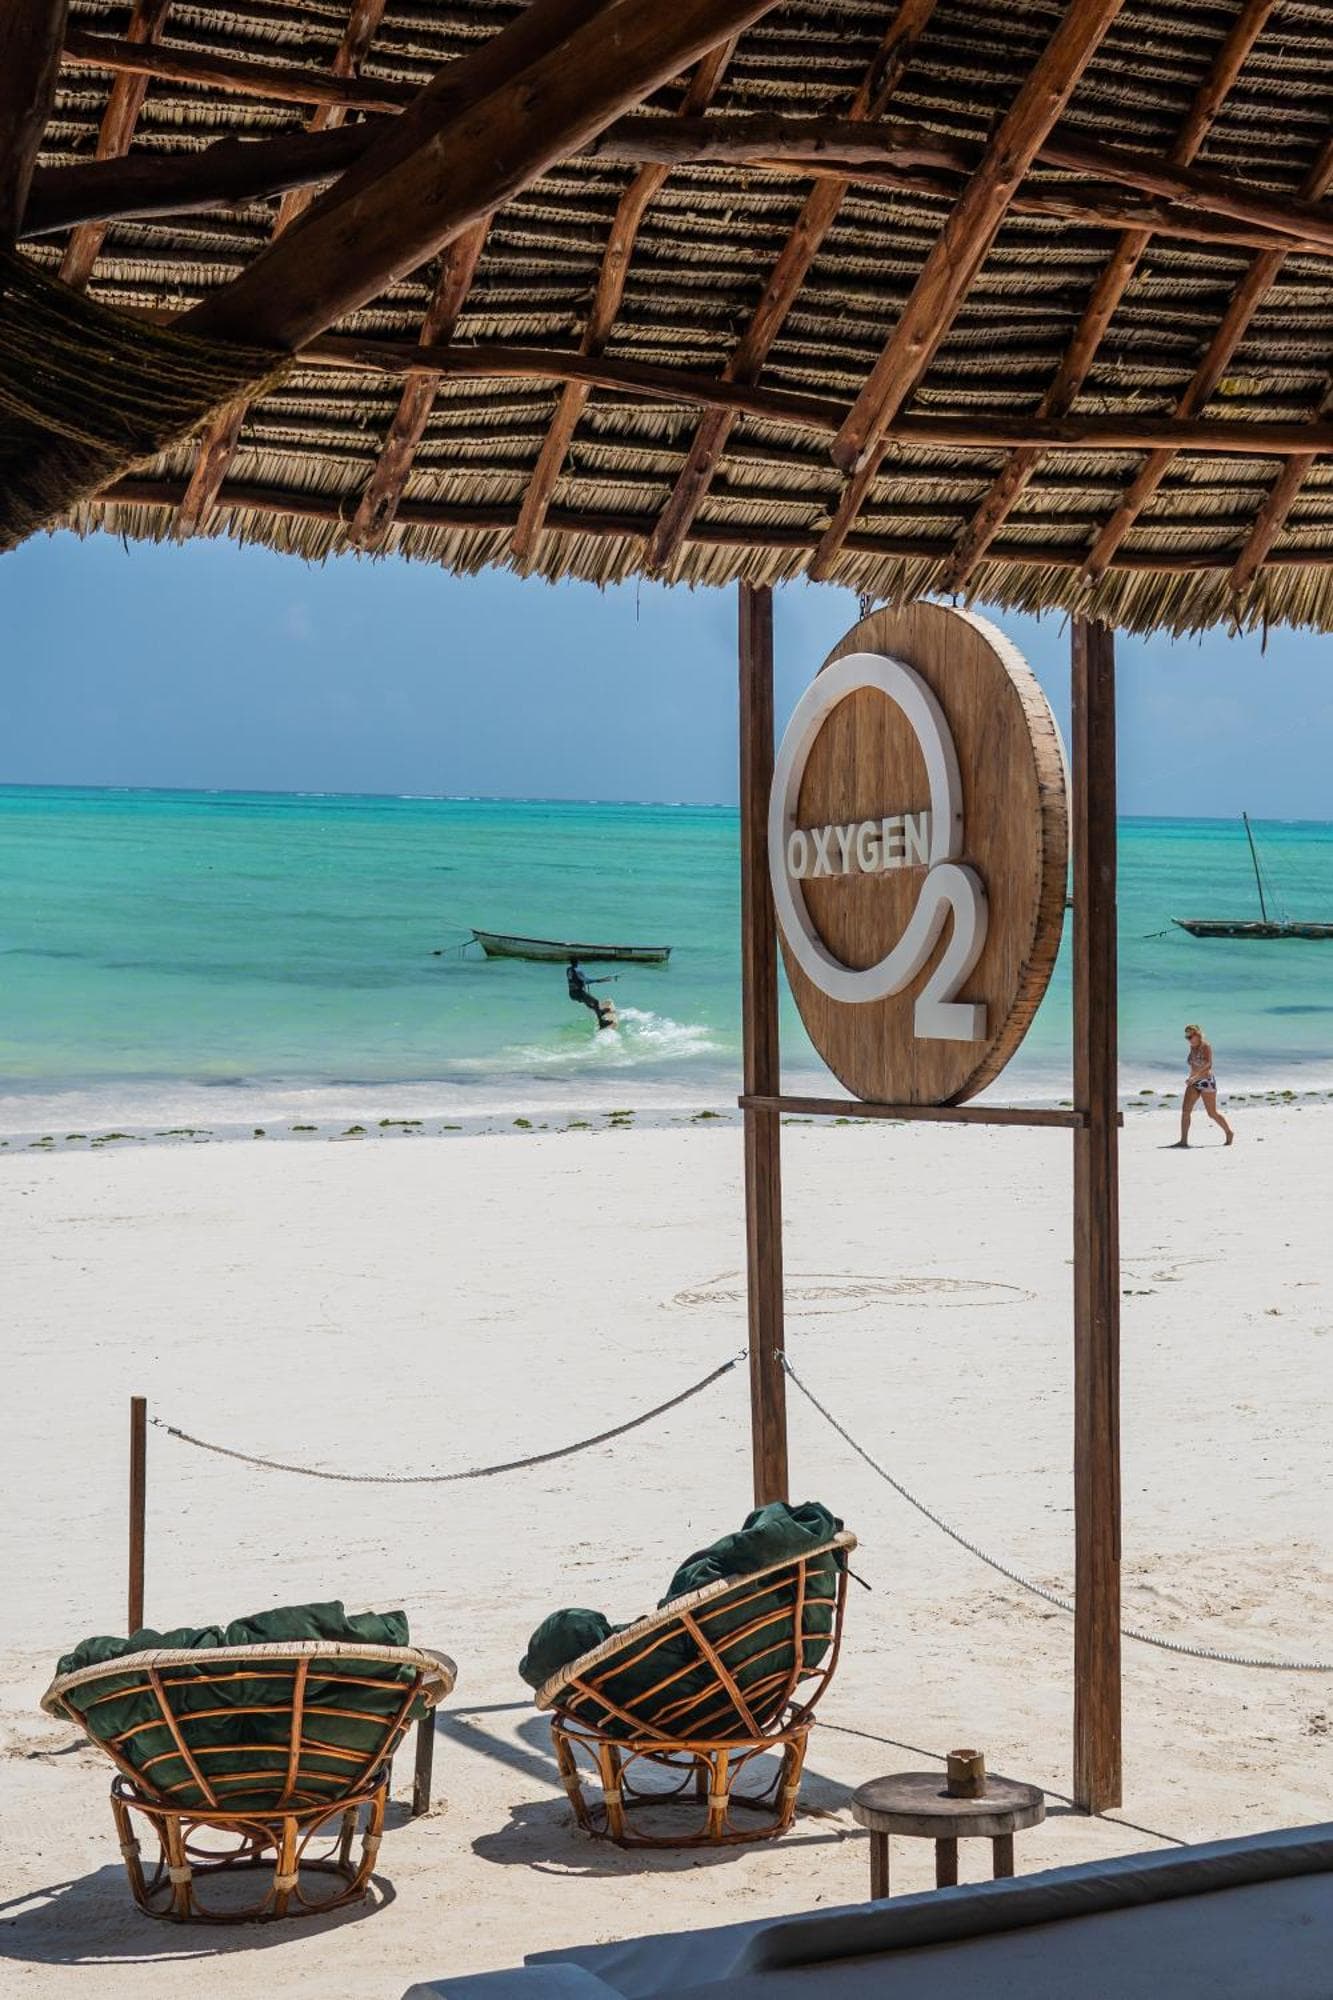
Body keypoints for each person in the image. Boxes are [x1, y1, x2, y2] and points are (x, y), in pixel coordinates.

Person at [1176, 1023, 1234, 1147]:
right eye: (1186, 1037)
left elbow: (1208, 1064)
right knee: (1185, 1111)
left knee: (1212, 1113)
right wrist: (1191, 1077)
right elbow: (1193, 1064)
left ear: (1197, 1035)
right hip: (1193, 1082)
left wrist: (1195, 1077)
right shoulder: (1192, 1047)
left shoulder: (1205, 1046)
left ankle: (1229, 1132)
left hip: (1206, 1082)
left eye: (1190, 1037)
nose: (1188, 1040)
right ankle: (1183, 1141)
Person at [566, 958, 617, 1031]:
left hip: (572, 994)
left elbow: (577, 980)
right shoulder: (577, 971)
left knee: (589, 1003)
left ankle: (600, 1012)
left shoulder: (568, 970)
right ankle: (602, 1023)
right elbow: (586, 980)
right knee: (596, 1002)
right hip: (579, 993)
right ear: (577, 962)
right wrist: (599, 980)